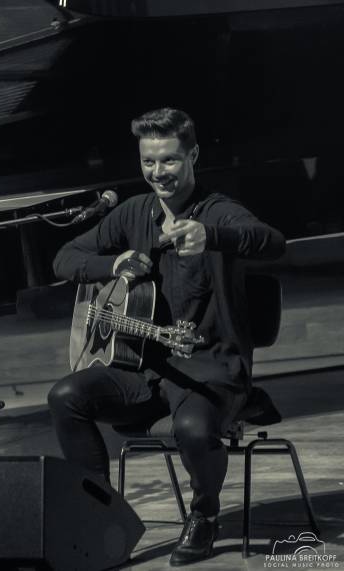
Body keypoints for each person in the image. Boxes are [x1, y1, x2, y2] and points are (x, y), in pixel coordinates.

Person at [48, 108, 286, 566]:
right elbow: (65, 257)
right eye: (149, 161)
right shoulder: (134, 211)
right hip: (143, 371)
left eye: (170, 160)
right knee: (65, 397)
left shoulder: (218, 210)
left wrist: (212, 236)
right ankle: (96, 510)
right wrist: (112, 264)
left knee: (191, 429)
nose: (158, 172)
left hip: (210, 369)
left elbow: (271, 241)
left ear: (192, 155)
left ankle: (204, 515)